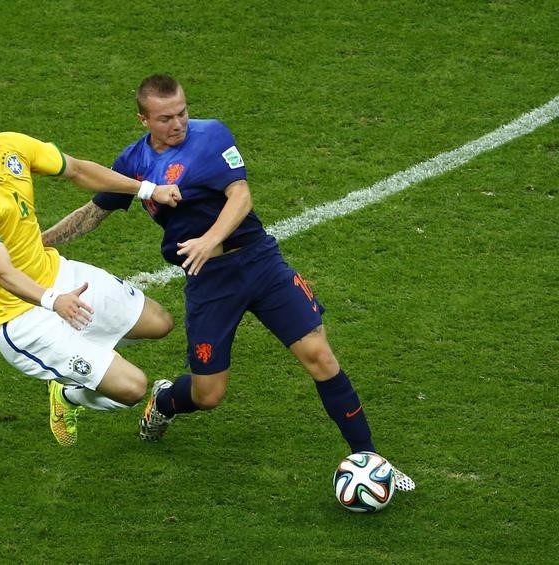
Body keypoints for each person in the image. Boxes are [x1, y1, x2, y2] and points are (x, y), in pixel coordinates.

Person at [41, 74, 415, 490]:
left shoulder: (211, 135)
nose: (178, 123)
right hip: (209, 284)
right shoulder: (133, 163)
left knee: (320, 357)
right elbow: (95, 211)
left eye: (182, 112)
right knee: (208, 395)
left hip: (260, 263)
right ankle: (164, 401)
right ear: (143, 119)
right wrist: (39, 242)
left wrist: (209, 240)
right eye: (165, 118)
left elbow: (240, 195)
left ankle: (368, 457)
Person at [0, 86, 182, 447]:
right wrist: (53, 301)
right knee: (132, 388)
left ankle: (83, 352)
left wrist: (148, 190)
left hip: (59, 275)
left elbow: (76, 170)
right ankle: (67, 395)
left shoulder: (9, 145)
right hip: (22, 315)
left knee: (160, 322)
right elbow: (1, 270)